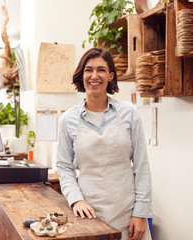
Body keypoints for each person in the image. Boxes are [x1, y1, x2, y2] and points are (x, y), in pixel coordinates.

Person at [56, 47, 153, 240]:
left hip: (128, 213)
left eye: (101, 69)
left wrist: (141, 213)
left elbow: (141, 165)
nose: (94, 75)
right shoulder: (68, 119)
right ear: (81, 76)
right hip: (88, 214)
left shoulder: (129, 112)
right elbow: (64, 166)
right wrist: (76, 201)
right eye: (88, 70)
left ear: (110, 76)